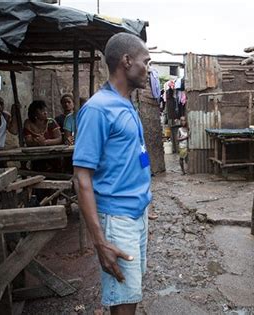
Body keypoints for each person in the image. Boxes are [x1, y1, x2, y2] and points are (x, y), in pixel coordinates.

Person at [73, 33, 152, 315]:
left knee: (130, 292)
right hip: (116, 219)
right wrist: (100, 241)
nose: (149, 68)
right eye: (146, 61)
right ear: (126, 61)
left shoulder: (126, 103)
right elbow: (81, 178)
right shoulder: (97, 109)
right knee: (123, 300)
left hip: (136, 213)